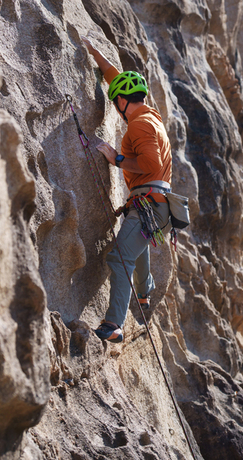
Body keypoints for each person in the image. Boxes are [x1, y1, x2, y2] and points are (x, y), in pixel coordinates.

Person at [82, 36, 173, 343]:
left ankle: (113, 325)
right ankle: (145, 289)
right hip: (153, 205)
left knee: (120, 257)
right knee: (138, 243)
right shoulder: (151, 117)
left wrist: (116, 158)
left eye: (114, 99)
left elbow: (150, 163)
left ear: (122, 101)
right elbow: (117, 80)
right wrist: (96, 54)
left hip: (149, 203)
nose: (114, 105)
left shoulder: (140, 124)